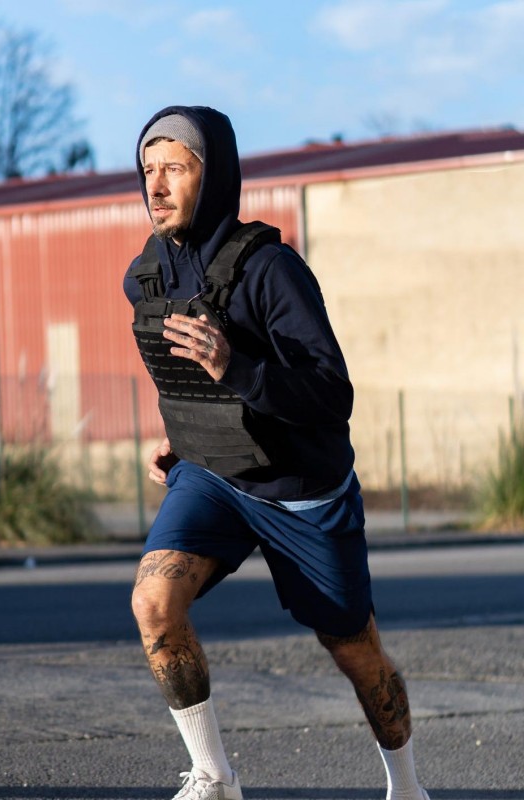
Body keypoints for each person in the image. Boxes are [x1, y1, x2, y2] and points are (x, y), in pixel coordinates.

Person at [123, 105, 430, 800]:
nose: (156, 186)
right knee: (154, 602)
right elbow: (181, 377)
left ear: (214, 175)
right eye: (148, 169)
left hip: (301, 491)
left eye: (175, 168)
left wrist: (236, 369)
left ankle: (408, 786)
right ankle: (214, 777)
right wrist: (183, 433)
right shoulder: (145, 277)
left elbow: (332, 394)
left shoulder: (271, 270)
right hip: (212, 477)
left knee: (354, 651)